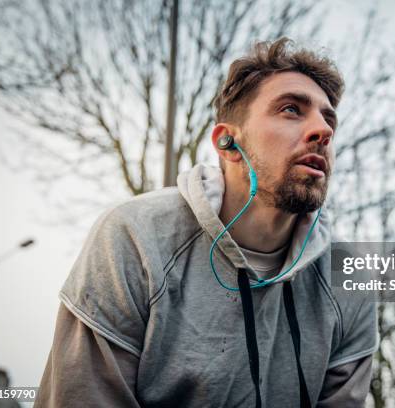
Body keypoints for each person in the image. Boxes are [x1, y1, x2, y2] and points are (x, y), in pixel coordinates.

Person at [35, 38, 377, 408]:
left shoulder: (349, 283)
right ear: (228, 143)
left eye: (329, 120)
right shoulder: (134, 239)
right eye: (292, 109)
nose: (322, 131)